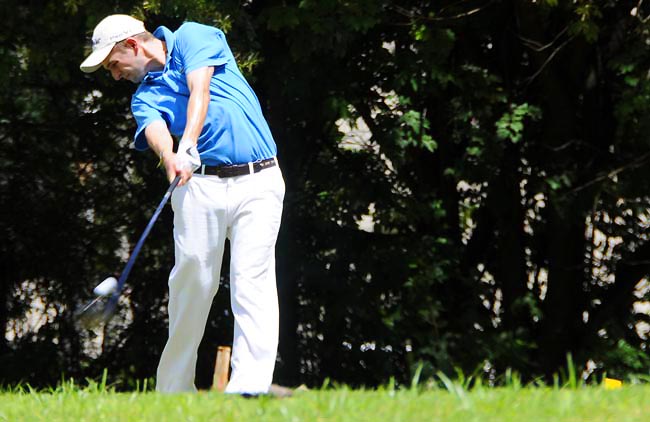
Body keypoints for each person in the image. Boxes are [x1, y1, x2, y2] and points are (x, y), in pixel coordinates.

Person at [80, 14, 285, 396]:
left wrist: (188, 141)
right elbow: (156, 130)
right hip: (199, 185)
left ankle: (249, 386)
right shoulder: (143, 96)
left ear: (133, 45)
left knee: (251, 278)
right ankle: (174, 391)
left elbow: (200, 89)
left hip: (259, 179)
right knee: (192, 281)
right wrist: (170, 155)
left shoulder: (194, 36)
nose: (114, 74)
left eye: (113, 64)